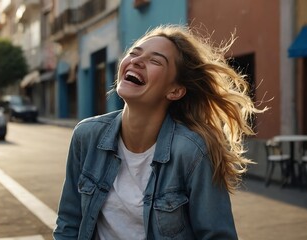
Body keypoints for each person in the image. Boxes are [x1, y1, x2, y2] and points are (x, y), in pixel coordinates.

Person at [54, 24, 264, 239]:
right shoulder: (86, 135)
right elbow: (69, 222)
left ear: (175, 90)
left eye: (155, 61)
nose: (136, 60)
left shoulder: (192, 152)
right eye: (134, 53)